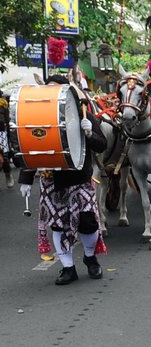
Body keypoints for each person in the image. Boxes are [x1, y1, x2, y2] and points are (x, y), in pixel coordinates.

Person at [18, 75, 107, 285]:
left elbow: (101, 145)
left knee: (88, 223)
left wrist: (89, 133)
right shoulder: (38, 118)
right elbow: (31, 149)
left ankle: (90, 257)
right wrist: (26, 179)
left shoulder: (82, 111)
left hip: (79, 178)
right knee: (57, 225)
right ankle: (68, 268)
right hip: (52, 181)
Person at [0, 89, 13, 188]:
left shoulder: (3, 103)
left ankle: (8, 175)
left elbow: (7, 119)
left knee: (4, 157)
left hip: (1, 132)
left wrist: (9, 133)